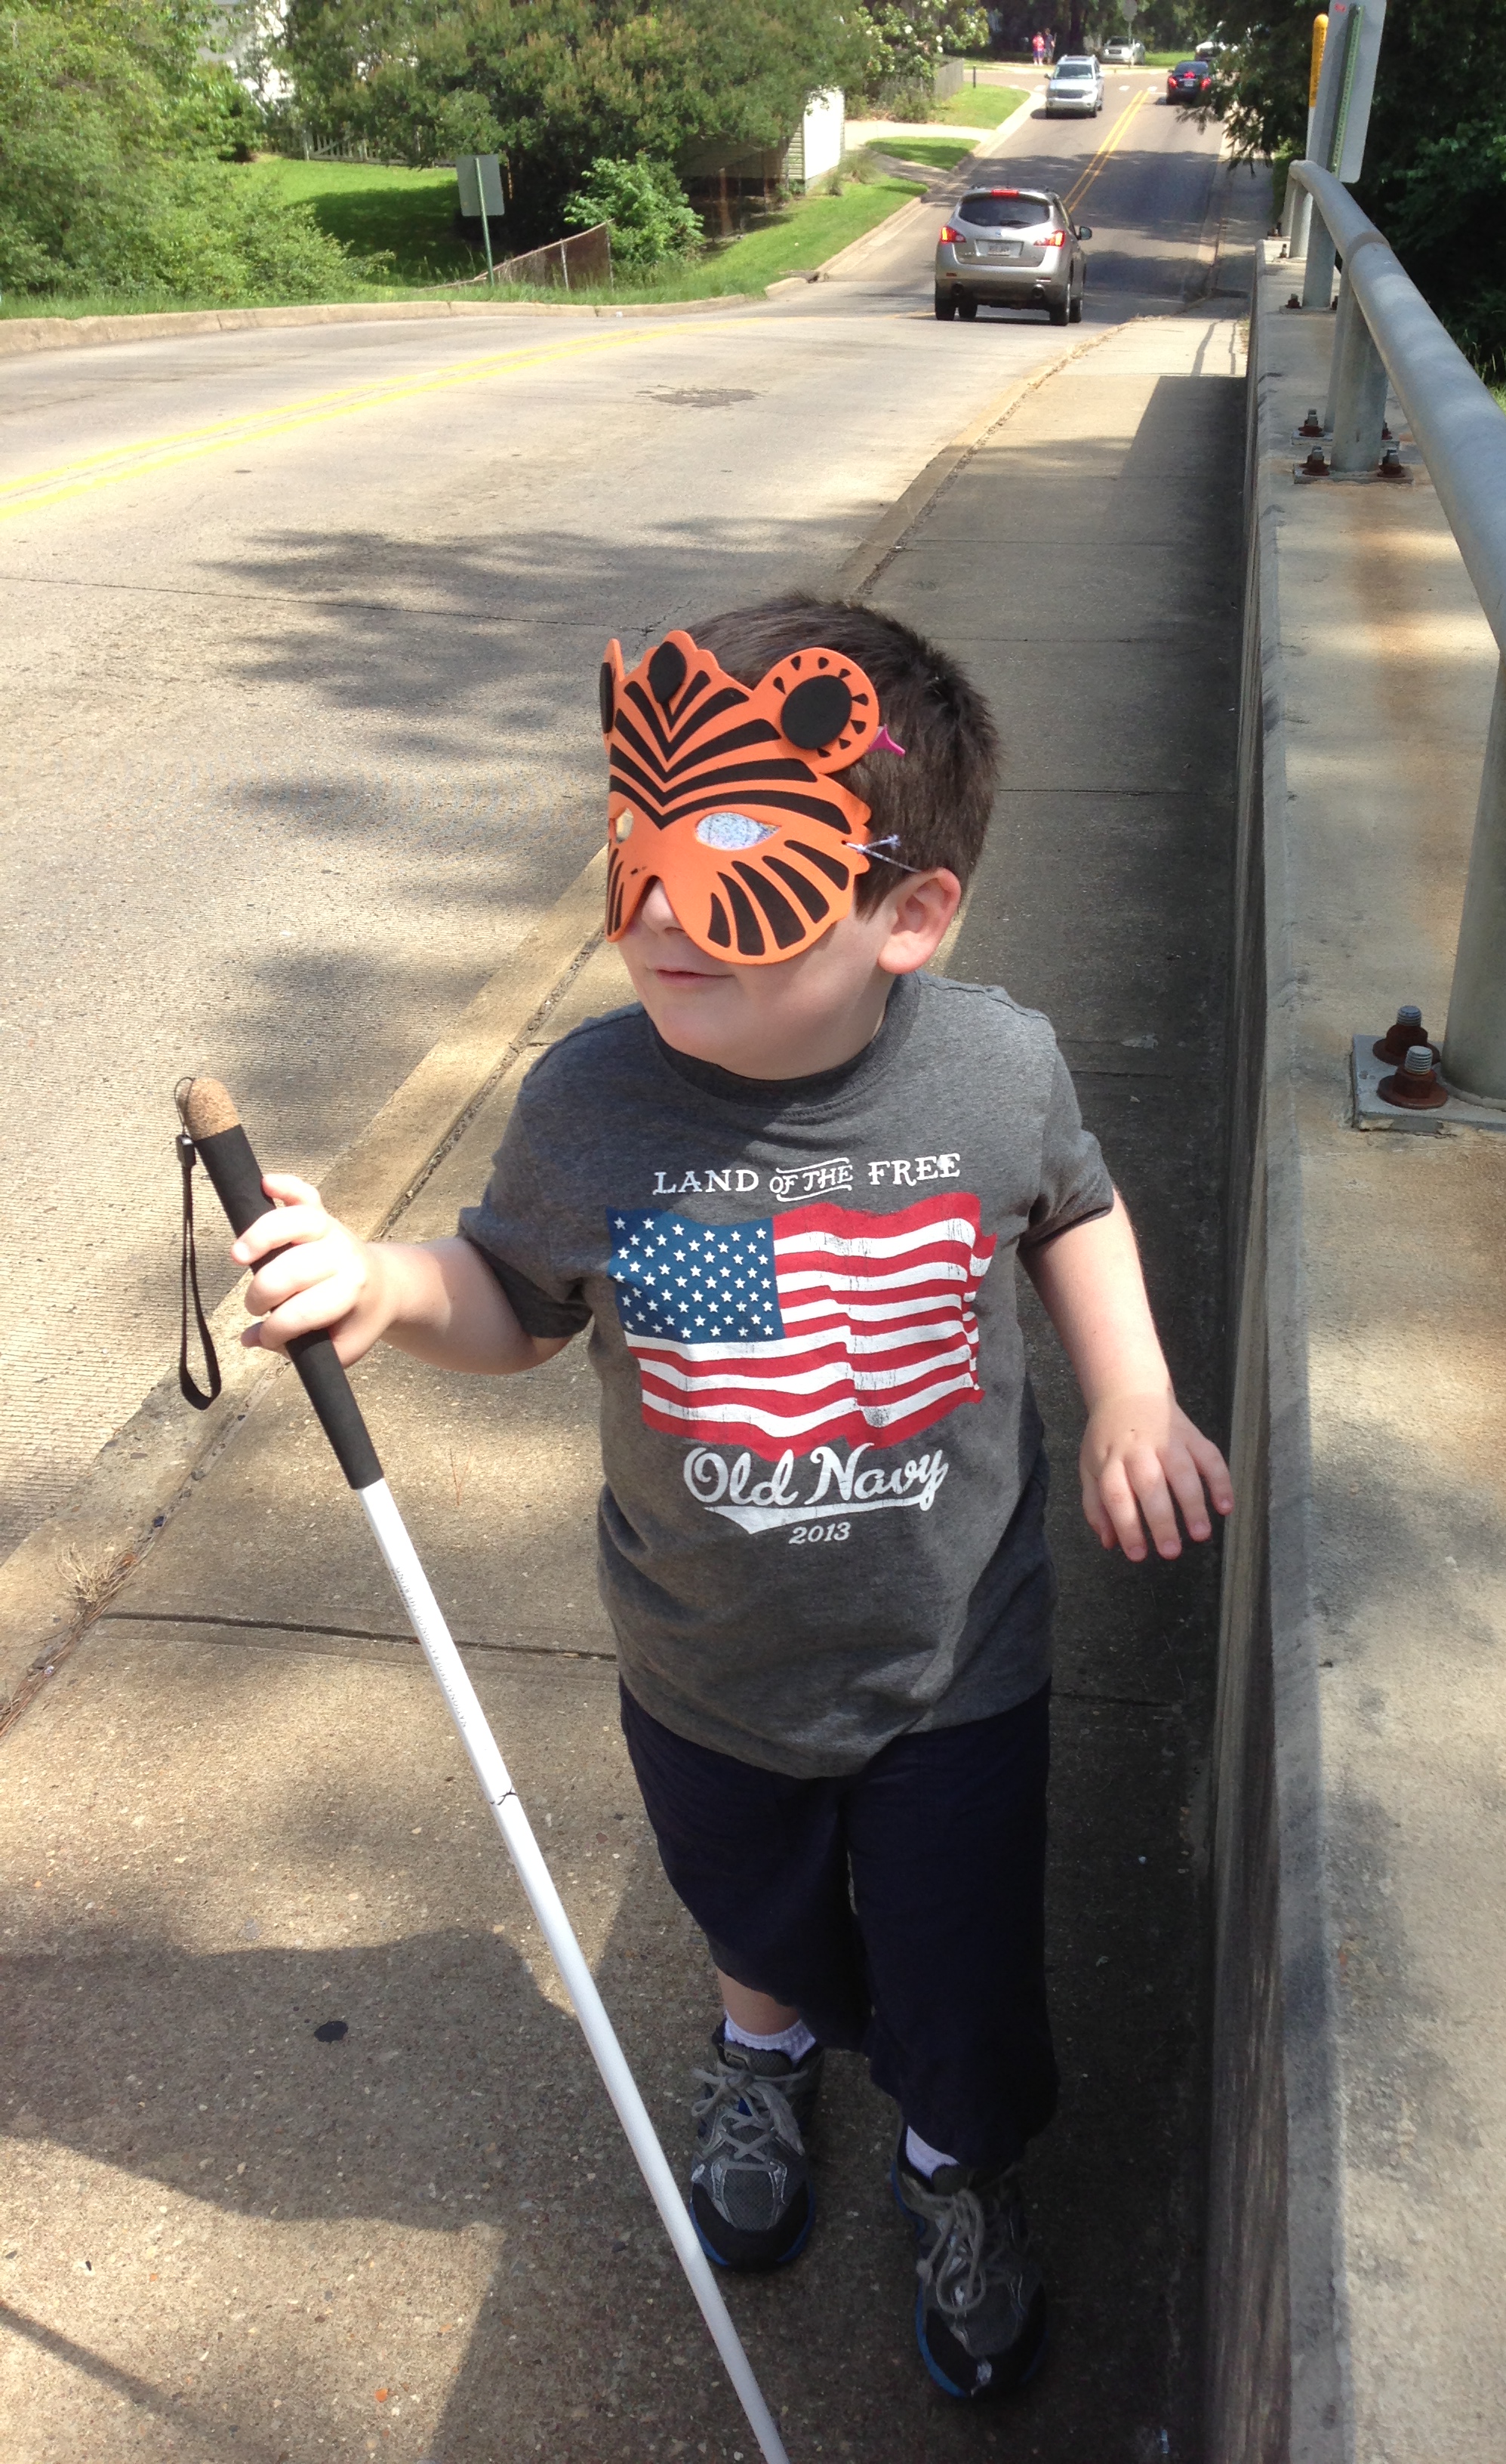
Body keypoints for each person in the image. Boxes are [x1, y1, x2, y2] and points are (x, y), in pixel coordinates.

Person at [228, 594, 1232, 2401]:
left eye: (745, 879)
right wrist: (382, 1286)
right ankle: (759, 2051)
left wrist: (1132, 1394)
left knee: (957, 1965)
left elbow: (1072, 1208)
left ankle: (957, 2162)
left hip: (954, 1669)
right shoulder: (596, 1102)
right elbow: (515, 1305)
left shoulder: (998, 1069)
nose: (670, 923)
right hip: (703, 1659)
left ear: (908, 914)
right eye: (642, 865)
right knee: (750, 1910)